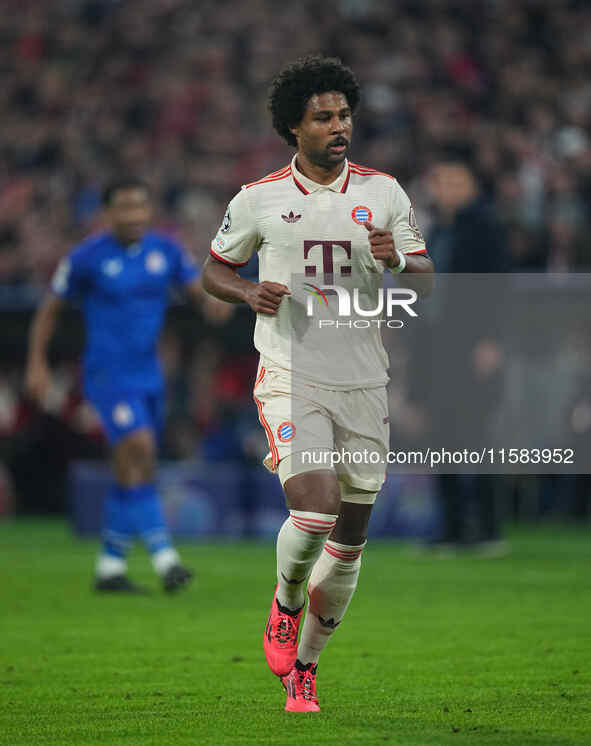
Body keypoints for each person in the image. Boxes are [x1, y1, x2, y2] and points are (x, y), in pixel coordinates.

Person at [202, 56, 434, 712]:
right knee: (314, 505)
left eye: (343, 115)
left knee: (351, 539)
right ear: (293, 128)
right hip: (290, 371)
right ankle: (284, 601)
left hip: (363, 380)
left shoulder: (384, 192)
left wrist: (400, 261)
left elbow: (425, 276)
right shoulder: (258, 199)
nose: (339, 127)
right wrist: (247, 288)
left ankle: (304, 667)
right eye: (323, 118)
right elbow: (213, 269)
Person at [26, 179, 200, 593]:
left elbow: (202, 294)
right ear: (107, 213)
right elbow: (49, 311)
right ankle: (165, 559)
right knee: (138, 449)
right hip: (107, 375)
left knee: (135, 467)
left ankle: (109, 566)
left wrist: (233, 297)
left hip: (149, 376)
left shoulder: (166, 251)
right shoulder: (87, 257)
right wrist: (37, 364)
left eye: (140, 206)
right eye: (124, 208)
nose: (134, 215)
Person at [426, 149, 510, 552]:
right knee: (442, 435)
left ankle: (490, 528)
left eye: (452, 181)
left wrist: (491, 340)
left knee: (478, 437)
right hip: (440, 347)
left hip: (473, 344)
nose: (444, 189)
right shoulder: (438, 230)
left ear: (471, 185)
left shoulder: (484, 227)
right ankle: (452, 528)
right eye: (440, 181)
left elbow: (497, 288)